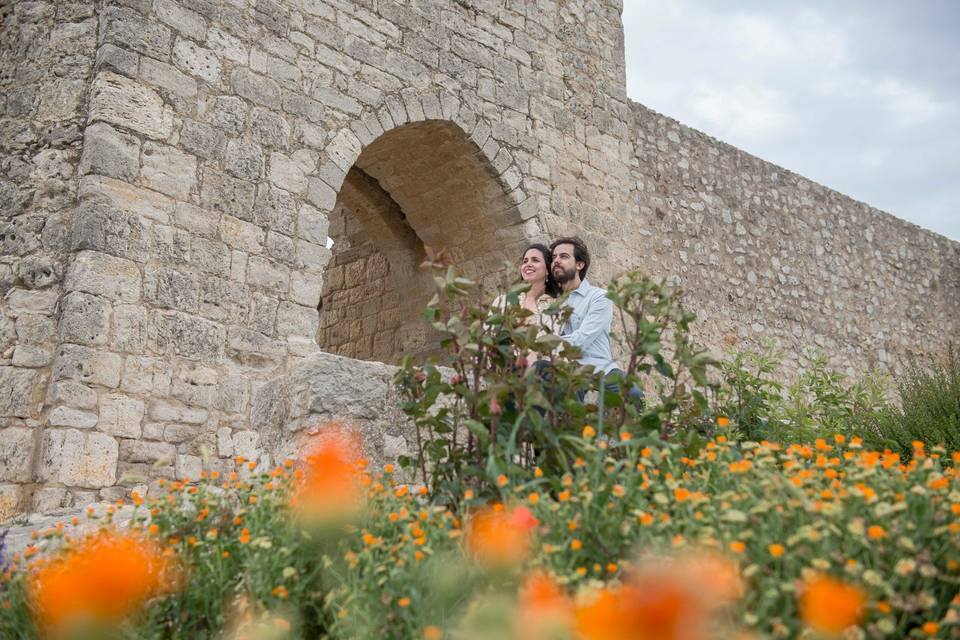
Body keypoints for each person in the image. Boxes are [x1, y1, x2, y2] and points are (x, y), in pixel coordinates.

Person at [550, 236, 644, 407]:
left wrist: (544, 343)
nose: (556, 261)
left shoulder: (599, 297)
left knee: (634, 393)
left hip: (600, 370)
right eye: (553, 257)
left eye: (563, 256)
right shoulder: (551, 304)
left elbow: (581, 339)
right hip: (566, 369)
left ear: (580, 264)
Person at [492, 243, 560, 344]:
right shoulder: (502, 301)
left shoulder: (555, 306)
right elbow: (488, 336)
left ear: (547, 270)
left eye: (535, 260)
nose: (528, 264)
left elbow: (549, 343)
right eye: (525, 261)